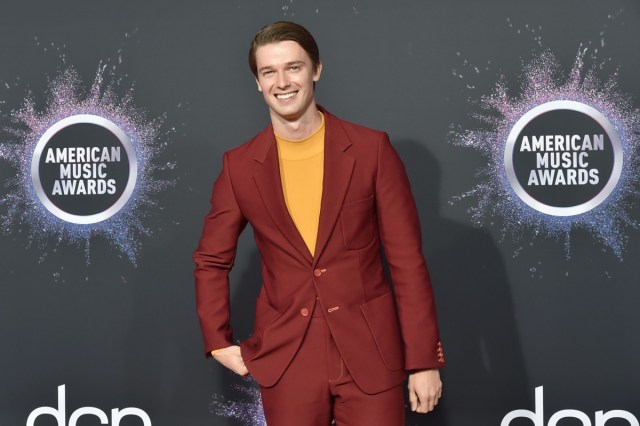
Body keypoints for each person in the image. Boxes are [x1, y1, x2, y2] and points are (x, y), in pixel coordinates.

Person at [194, 21, 444, 425]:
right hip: (288, 357)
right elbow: (210, 260)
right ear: (258, 82)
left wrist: (423, 361)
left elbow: (407, 262)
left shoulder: (370, 149)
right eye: (268, 72)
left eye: (293, 67)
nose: (282, 82)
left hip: (370, 353)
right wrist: (217, 341)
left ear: (316, 70)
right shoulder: (239, 166)